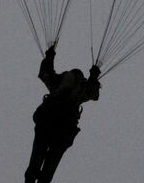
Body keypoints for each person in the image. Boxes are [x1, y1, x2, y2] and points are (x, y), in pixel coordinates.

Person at [24, 44, 101, 183]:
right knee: (45, 168)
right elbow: (93, 92)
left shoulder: (57, 84)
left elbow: (45, 72)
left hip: (49, 125)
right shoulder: (79, 91)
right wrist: (94, 76)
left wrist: (50, 56)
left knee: (37, 164)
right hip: (60, 130)